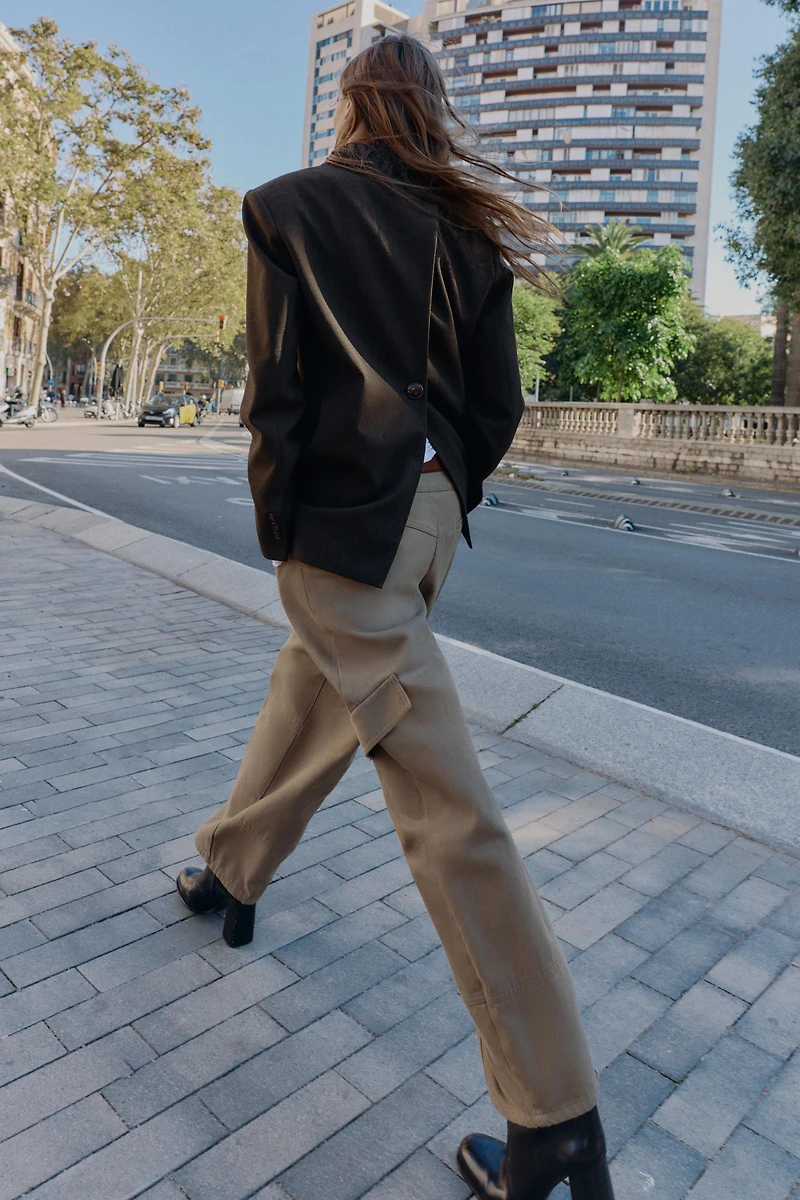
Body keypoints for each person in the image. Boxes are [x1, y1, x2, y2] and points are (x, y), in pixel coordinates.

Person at [176, 33, 613, 1200]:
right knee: (309, 690)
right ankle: (230, 869)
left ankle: (554, 1118)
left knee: (445, 804)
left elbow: (274, 397)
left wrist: (281, 531)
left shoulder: (286, 207)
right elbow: (498, 403)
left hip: (336, 526)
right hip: (422, 526)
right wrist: (446, 480)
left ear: (353, 104)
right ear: (425, 107)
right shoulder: (466, 233)